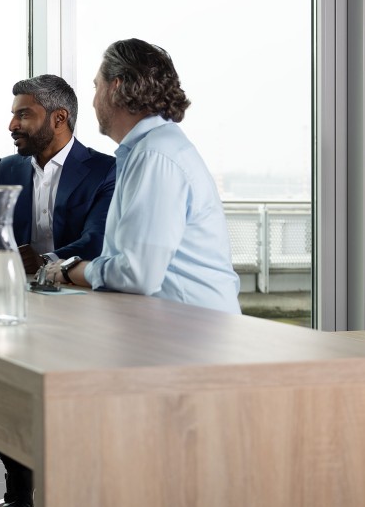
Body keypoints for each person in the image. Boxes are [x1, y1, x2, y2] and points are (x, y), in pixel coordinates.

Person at [0, 74, 116, 507]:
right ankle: (19, 475)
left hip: (81, 307)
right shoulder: (7, 169)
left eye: (22, 114)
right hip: (15, 300)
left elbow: (97, 239)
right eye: (13, 113)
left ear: (59, 118)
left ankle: (76, 495)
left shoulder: (104, 169)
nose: (11, 124)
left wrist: (46, 259)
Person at [48, 38, 241, 316]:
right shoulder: (151, 149)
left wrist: (71, 269)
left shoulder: (155, 155)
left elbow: (138, 274)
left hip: (192, 335)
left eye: (96, 86)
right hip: (179, 327)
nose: (92, 101)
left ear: (115, 86)